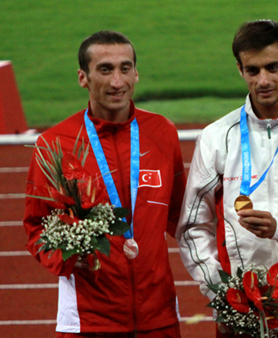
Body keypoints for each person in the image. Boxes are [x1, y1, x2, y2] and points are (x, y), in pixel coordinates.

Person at [176, 20, 278, 337]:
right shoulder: (216, 139)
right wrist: (222, 291)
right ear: (240, 69)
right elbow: (192, 226)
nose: (263, 80)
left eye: (272, 67)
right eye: (253, 70)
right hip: (239, 313)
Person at [23, 30, 185, 337]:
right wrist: (68, 256)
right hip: (90, 320)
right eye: (105, 69)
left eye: (125, 68)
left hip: (158, 316)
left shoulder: (162, 133)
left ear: (136, 73)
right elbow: (37, 226)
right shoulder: (54, 144)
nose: (117, 82)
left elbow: (182, 215)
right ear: (83, 77)